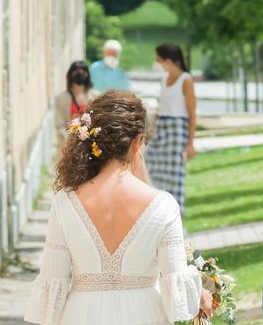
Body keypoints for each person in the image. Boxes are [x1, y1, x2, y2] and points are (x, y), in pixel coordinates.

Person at [25, 90, 211, 325]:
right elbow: (175, 280)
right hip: (145, 314)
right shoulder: (164, 205)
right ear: (137, 142)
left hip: (81, 315)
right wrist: (200, 294)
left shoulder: (64, 202)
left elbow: (53, 280)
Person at [145, 44, 196, 215]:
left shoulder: (186, 79)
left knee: (174, 176)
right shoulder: (164, 79)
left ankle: (176, 216)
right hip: (162, 128)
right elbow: (162, 107)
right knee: (147, 162)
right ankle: (156, 211)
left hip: (177, 130)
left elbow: (192, 112)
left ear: (167, 61)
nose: (156, 64)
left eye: (158, 60)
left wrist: (190, 144)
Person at [55, 61, 99, 150]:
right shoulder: (61, 98)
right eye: (76, 71)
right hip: (69, 146)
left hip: (91, 146)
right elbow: (59, 125)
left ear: (87, 74)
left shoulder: (96, 96)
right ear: (70, 74)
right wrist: (72, 142)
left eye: (83, 71)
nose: (80, 73)